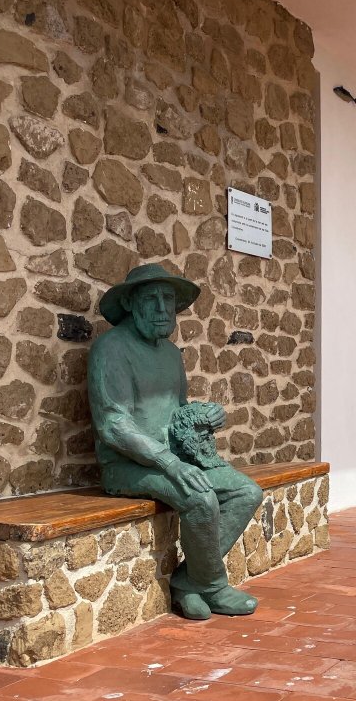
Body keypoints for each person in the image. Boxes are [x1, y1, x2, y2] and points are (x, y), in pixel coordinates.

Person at [87, 263, 262, 620]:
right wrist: (170, 463)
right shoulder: (111, 348)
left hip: (174, 458)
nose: (162, 308)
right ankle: (212, 586)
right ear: (131, 305)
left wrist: (204, 416)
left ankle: (187, 581)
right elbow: (113, 424)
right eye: (151, 299)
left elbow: (177, 411)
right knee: (200, 498)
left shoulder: (170, 353)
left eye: (168, 299)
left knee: (247, 492)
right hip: (128, 466)